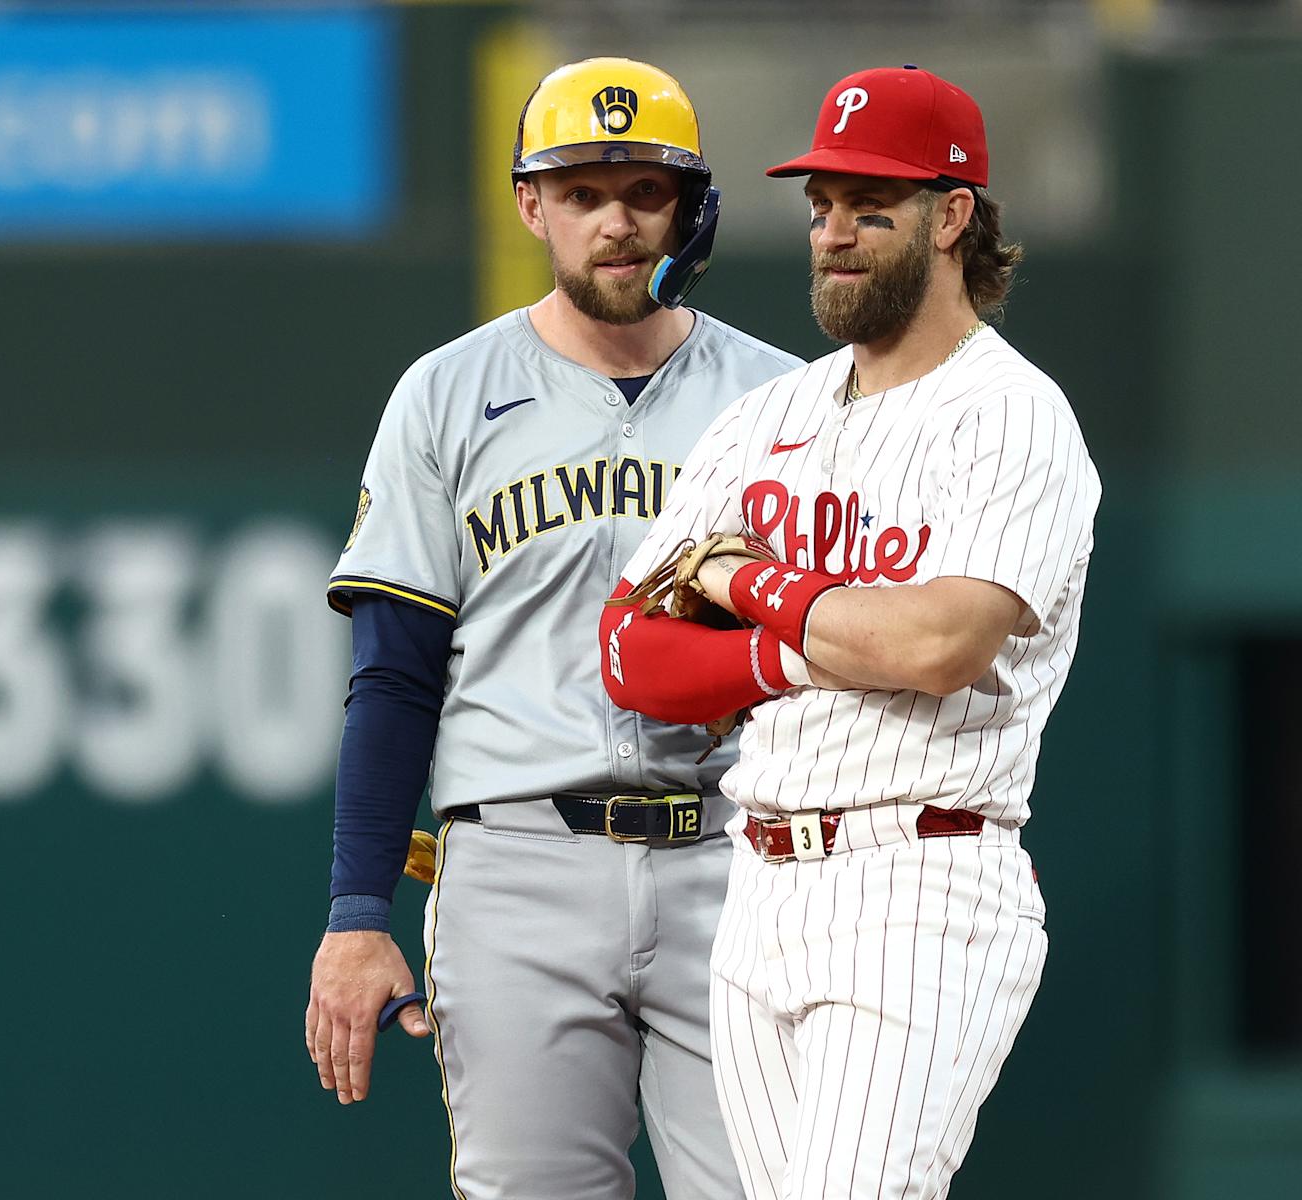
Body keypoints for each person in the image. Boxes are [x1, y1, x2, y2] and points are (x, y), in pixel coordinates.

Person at [598, 65, 1100, 1200]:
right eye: (822, 204)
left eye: (871, 206)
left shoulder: (1013, 415)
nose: (833, 232)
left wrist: (752, 585)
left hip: (922, 876)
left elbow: (937, 647)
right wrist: (792, 651)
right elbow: (630, 650)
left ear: (953, 215)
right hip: (761, 881)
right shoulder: (763, 419)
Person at [304, 58, 801, 1200]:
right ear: (531, 205)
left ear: (693, 204)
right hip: (520, 862)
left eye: (643, 190)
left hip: (741, 856)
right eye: (581, 192)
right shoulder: (446, 392)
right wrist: (355, 914)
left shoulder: (784, 405)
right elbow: (392, 678)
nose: (615, 223)